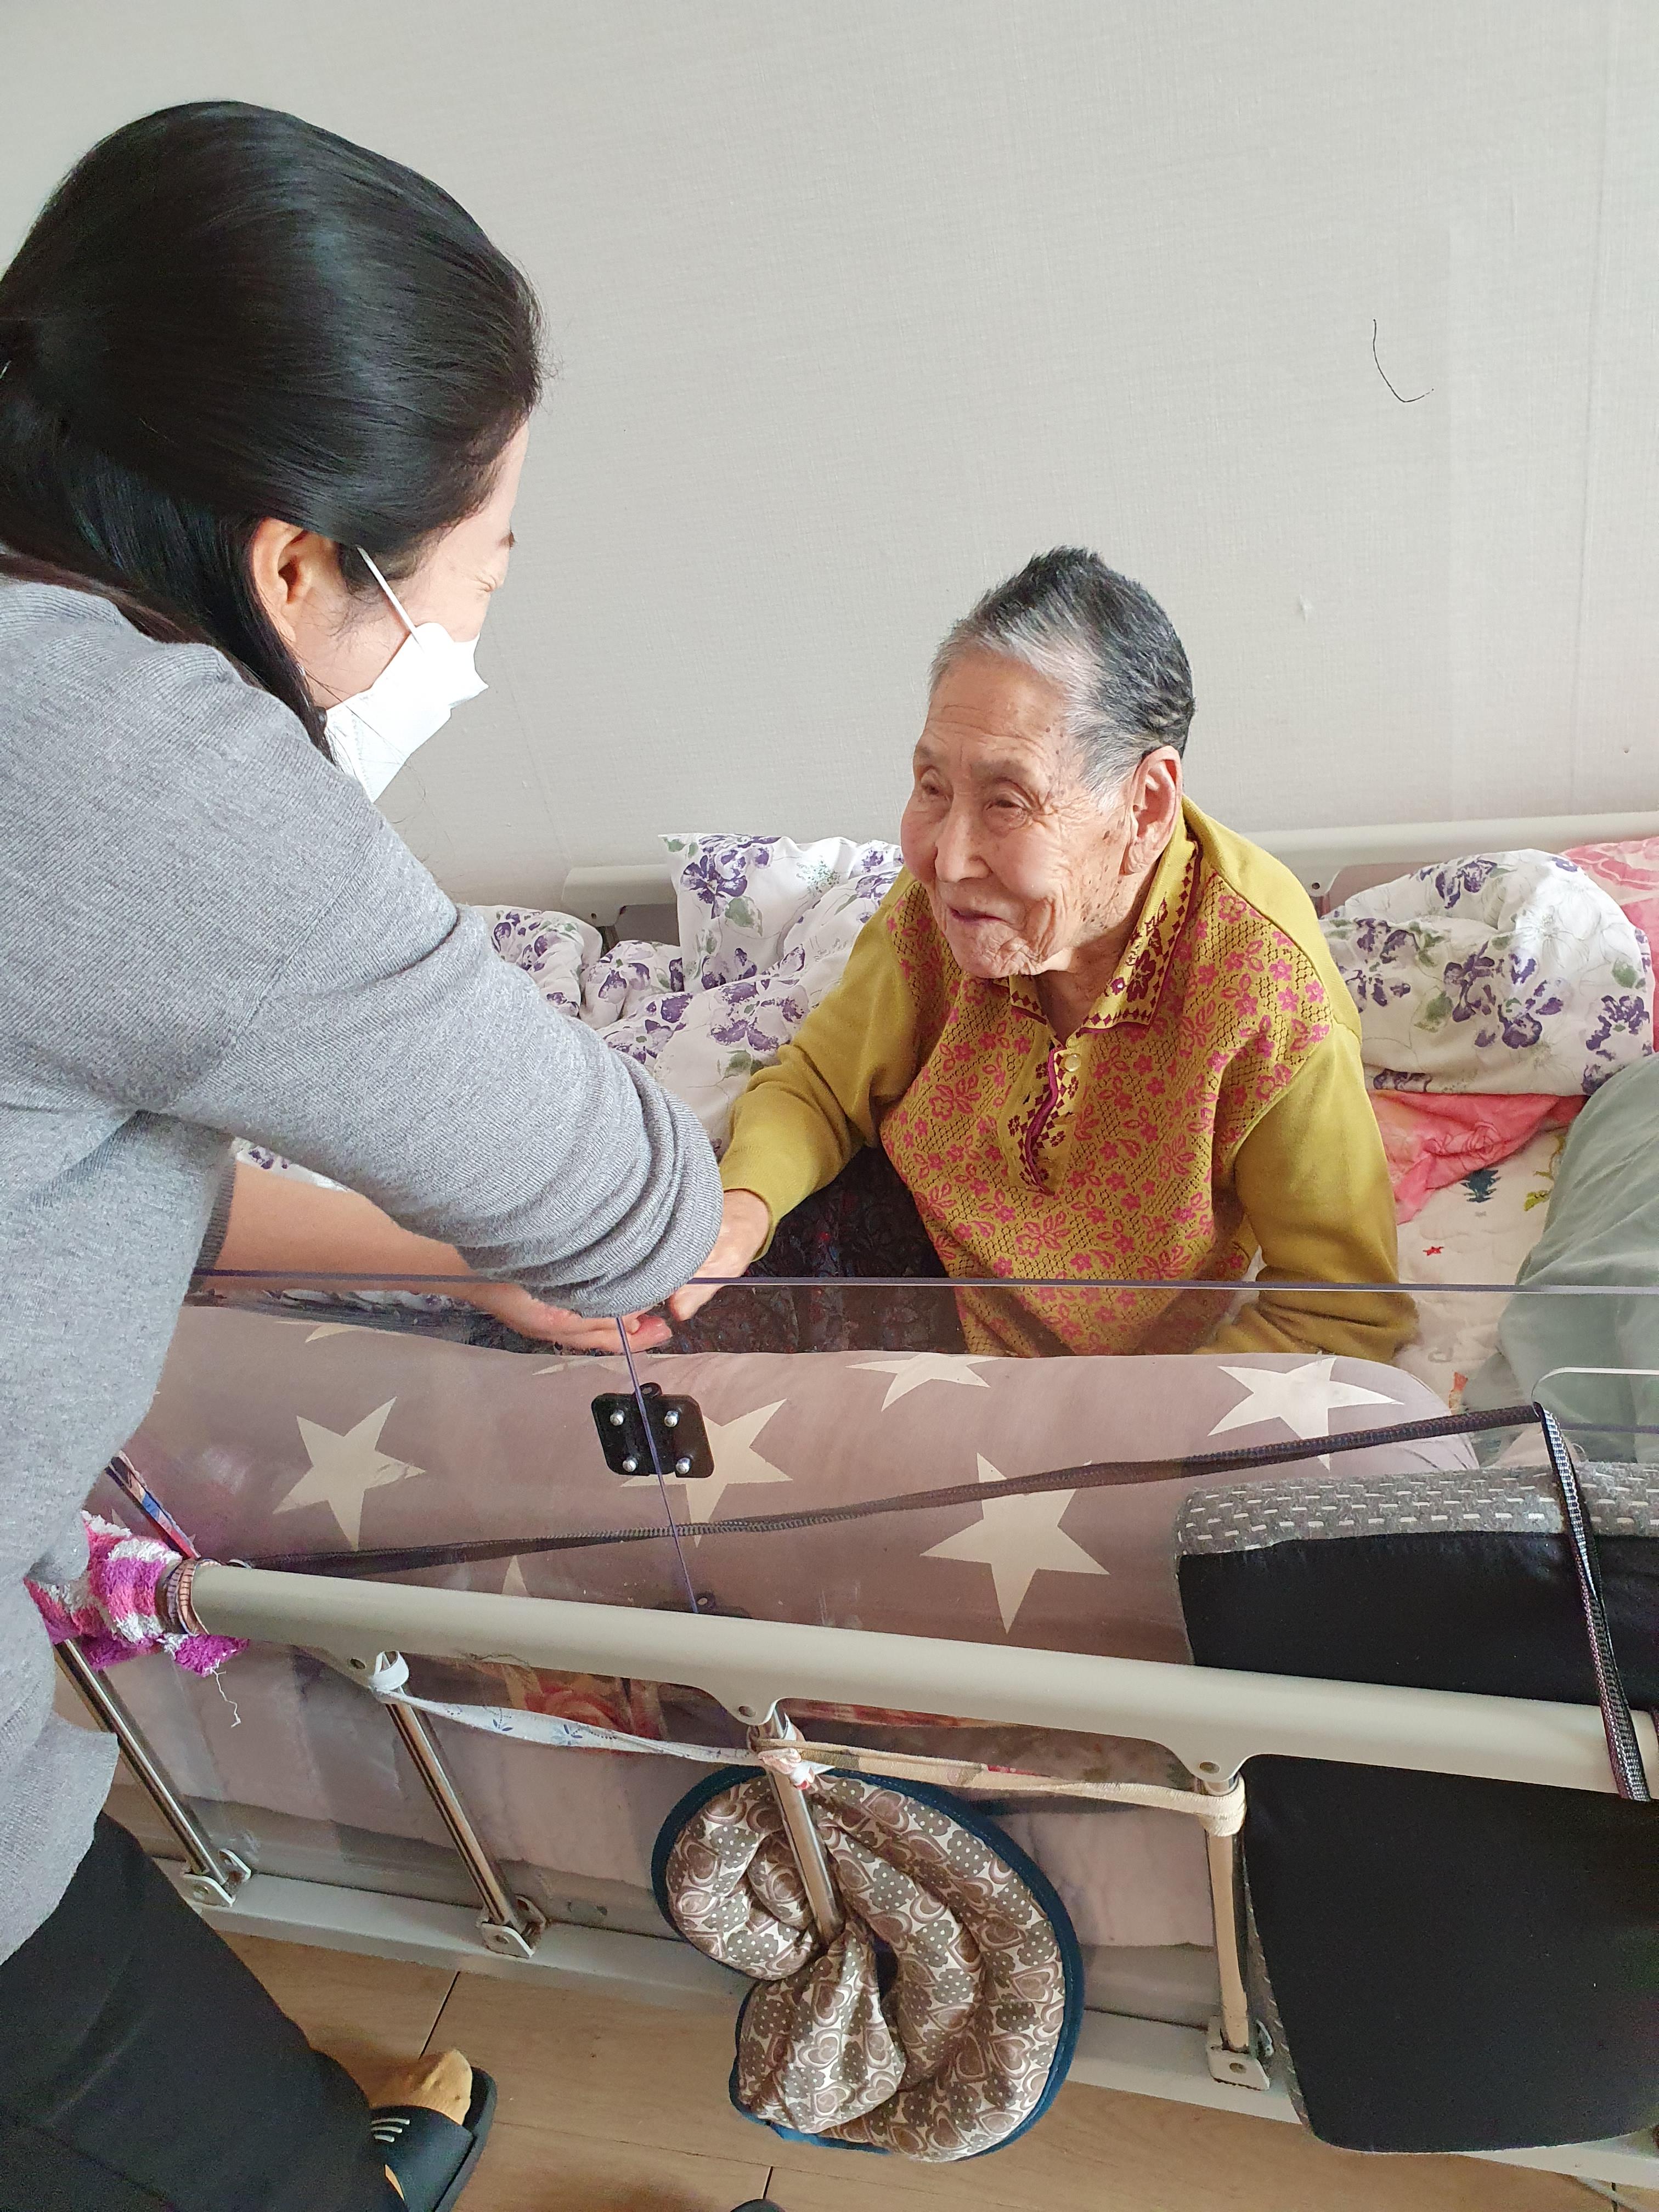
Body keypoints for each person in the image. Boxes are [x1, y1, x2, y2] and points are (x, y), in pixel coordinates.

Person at [0, 103, 723, 2212]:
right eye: (480, 575)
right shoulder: (163, 780)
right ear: (297, 564)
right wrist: (601, 1225)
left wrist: (430, 1251)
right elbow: (638, 1204)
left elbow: (66, 1153)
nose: (472, 638)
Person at [672, 550, 1411, 1363]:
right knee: (632, 1335)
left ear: (1145, 807)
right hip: (909, 1249)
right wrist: (735, 1214)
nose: (947, 859)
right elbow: (818, 1087)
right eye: (932, 787)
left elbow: (1342, 1317)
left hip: (1103, 1375)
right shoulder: (943, 905)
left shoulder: (1266, 995)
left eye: (1007, 802)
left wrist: (1123, 1423)